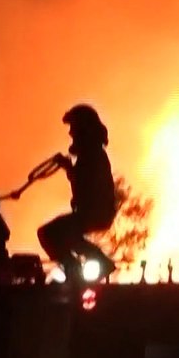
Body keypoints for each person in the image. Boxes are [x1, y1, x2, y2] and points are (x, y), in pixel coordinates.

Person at [37, 104, 118, 280]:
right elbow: (82, 182)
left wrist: (68, 168)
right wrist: (68, 168)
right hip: (93, 211)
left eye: (73, 127)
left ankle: (77, 269)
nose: (70, 133)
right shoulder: (91, 154)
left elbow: (84, 183)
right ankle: (81, 267)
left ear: (83, 129)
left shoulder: (92, 155)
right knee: (62, 233)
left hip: (95, 212)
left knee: (48, 233)